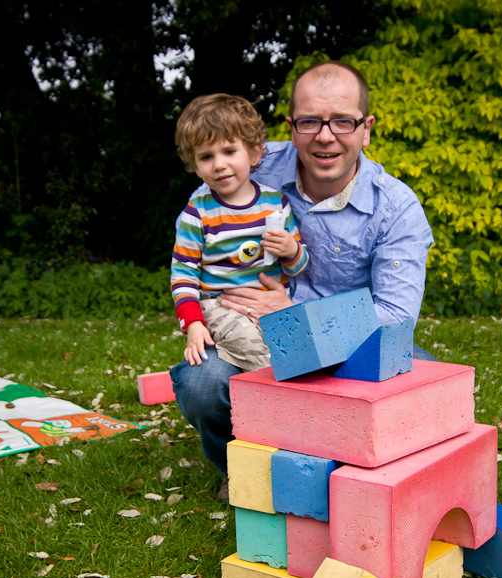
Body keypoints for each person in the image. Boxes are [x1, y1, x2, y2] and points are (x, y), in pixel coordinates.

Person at [170, 62, 435, 500]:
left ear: (366, 129)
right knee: (202, 382)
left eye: (343, 121)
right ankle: (239, 464)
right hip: (252, 332)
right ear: (291, 127)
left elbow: (394, 318)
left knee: (420, 373)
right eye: (310, 121)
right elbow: (198, 249)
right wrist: (202, 315)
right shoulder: (245, 163)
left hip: (348, 346)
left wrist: (297, 316)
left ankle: (356, 466)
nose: (326, 136)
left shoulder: (397, 208)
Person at [171, 94, 309, 373]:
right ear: (195, 165)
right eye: (206, 157)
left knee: (302, 349)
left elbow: (298, 268)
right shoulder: (197, 213)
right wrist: (193, 323)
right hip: (222, 306)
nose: (219, 164)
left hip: (273, 303)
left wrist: (291, 251)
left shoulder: (275, 204)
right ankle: (268, 406)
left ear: (255, 152)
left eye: (229, 151)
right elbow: (183, 274)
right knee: (256, 351)